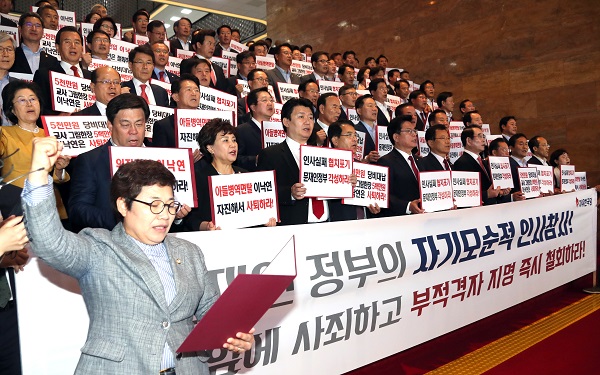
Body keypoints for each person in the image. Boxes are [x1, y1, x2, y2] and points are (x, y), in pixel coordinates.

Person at [22, 137, 255, 374]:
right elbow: (49, 242)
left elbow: (211, 312)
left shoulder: (190, 252)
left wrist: (235, 333)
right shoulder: (100, 248)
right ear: (123, 206)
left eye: (170, 205)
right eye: (154, 205)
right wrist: (39, 172)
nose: (165, 215)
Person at [68, 93, 189, 232]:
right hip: (110, 242)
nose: (133, 131)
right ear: (110, 125)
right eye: (125, 125)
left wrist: (177, 216)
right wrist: (124, 222)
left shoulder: (163, 159)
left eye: (139, 124)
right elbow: (78, 211)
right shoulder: (90, 161)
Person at [186, 119, 276, 231]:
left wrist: (265, 221)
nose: (232, 145)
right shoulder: (199, 179)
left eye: (234, 140)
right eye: (225, 140)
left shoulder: (246, 175)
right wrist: (207, 226)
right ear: (210, 148)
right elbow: (191, 220)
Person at [1, 80, 71, 217]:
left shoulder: (51, 133)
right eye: (22, 100)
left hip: (50, 205)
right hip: (16, 206)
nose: (29, 104)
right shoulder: (4, 133)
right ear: (12, 110)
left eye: (33, 99)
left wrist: (60, 169)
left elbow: (58, 179)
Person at [257, 98, 331, 225]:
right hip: (294, 225)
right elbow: (263, 193)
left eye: (310, 117)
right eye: (301, 117)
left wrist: (347, 182)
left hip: (328, 224)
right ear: (286, 121)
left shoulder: (324, 154)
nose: (307, 122)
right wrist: (290, 193)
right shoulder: (270, 155)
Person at [327, 120, 380, 221]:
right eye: (349, 135)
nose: (355, 139)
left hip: (366, 223)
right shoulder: (328, 167)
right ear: (335, 140)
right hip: (341, 224)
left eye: (355, 135)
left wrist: (373, 206)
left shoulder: (362, 166)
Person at [377, 115, 423, 217]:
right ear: (396, 137)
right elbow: (384, 195)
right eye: (409, 131)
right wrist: (408, 206)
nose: (414, 134)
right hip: (401, 219)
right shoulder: (385, 162)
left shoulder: (421, 161)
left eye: (414, 131)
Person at [453, 125, 508, 205]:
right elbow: (465, 194)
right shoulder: (462, 163)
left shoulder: (484, 162)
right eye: (479, 136)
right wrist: (487, 194)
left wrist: (500, 192)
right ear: (469, 141)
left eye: (483, 136)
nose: (483, 140)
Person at [236, 87, 275, 171]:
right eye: (264, 100)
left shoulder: (280, 130)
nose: (270, 103)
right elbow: (235, 158)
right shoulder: (241, 131)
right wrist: (255, 160)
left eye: (271, 100)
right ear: (253, 107)